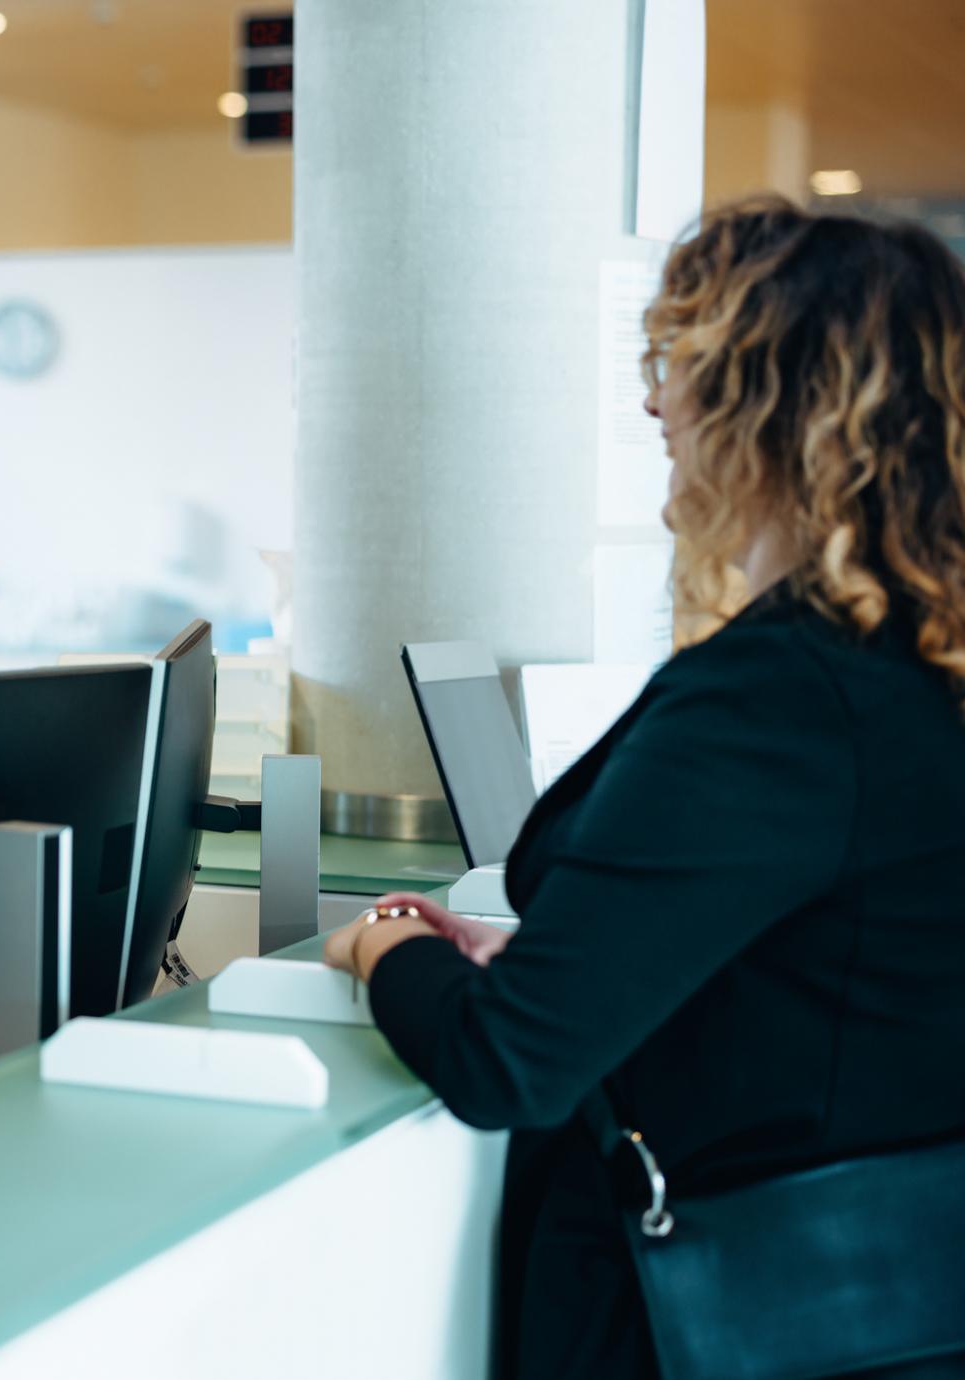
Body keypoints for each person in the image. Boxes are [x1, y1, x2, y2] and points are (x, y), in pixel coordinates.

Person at [325, 198, 965, 1378]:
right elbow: (831, 971)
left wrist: (377, 947)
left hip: (737, 1311)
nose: (650, 405)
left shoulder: (778, 696)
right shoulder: (912, 665)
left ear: (766, 406)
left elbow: (502, 1066)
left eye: (674, 367)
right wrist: (581, 958)